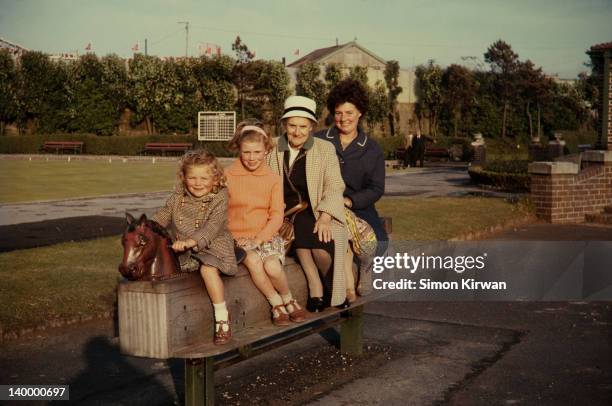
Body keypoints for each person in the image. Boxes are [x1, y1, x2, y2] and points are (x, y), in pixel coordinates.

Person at [268, 95, 349, 311]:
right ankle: (317, 290)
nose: (297, 132)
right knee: (304, 233)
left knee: (321, 250)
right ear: (284, 124)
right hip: (283, 212)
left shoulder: (324, 149)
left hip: (316, 209)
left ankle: (327, 288)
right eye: (292, 125)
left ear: (312, 126)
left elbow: (334, 186)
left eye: (303, 126)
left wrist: (325, 216)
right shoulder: (272, 147)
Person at [226, 121, 306, 326]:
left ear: (266, 150)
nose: (252, 158)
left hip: (266, 236)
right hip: (237, 239)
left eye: (257, 152)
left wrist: (259, 239)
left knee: (271, 266)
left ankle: (289, 298)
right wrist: (237, 239)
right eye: (247, 152)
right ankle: (276, 303)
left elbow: (277, 215)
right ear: (239, 150)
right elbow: (220, 212)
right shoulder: (227, 176)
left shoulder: (272, 178)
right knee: (252, 261)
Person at [152, 149, 236, 345]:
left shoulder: (219, 196)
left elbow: (213, 226)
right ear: (184, 178)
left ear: (215, 178)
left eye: (204, 178)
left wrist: (191, 242)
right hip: (185, 248)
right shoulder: (178, 197)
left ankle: (222, 317)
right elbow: (164, 215)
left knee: (207, 270)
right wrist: (148, 228)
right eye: (192, 178)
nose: (198, 183)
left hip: (214, 246)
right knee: (165, 265)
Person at [315, 79, 388, 301]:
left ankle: (366, 268)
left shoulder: (372, 149)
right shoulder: (318, 140)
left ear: (360, 113)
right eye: (338, 113)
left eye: (349, 112)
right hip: (324, 208)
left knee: (377, 242)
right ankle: (338, 289)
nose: (343, 118)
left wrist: (350, 201)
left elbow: (376, 188)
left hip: (359, 208)